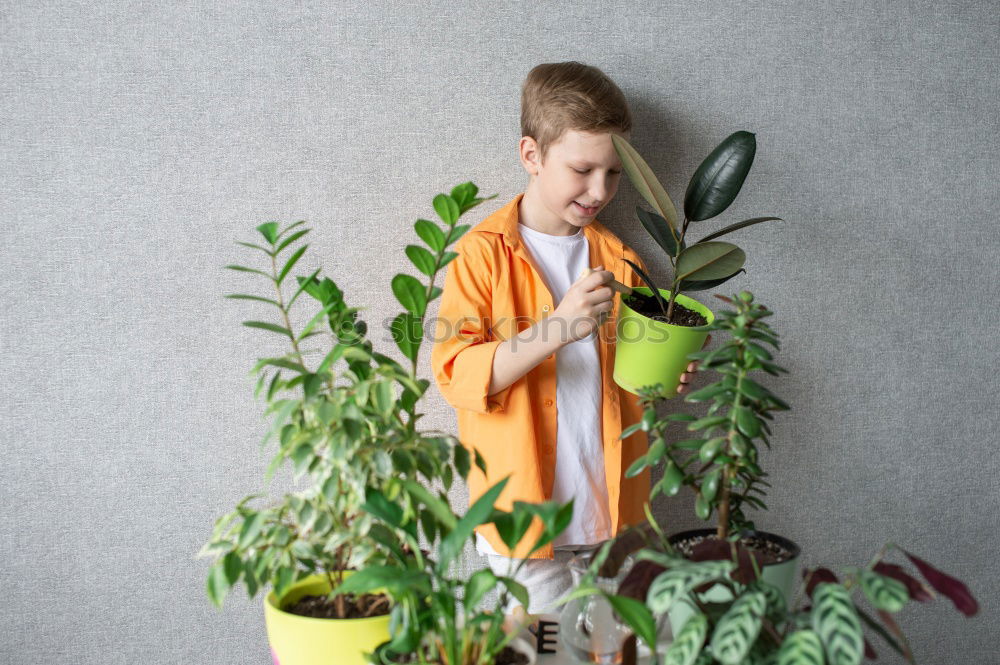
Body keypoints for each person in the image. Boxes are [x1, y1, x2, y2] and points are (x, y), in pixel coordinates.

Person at [430, 61, 705, 617]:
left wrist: (666, 379)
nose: (599, 190)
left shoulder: (621, 260)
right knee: (543, 654)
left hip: (617, 526)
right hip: (525, 529)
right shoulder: (483, 254)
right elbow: (457, 376)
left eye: (614, 173)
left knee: (615, 652)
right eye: (582, 169)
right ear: (531, 155)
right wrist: (557, 329)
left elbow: (630, 382)